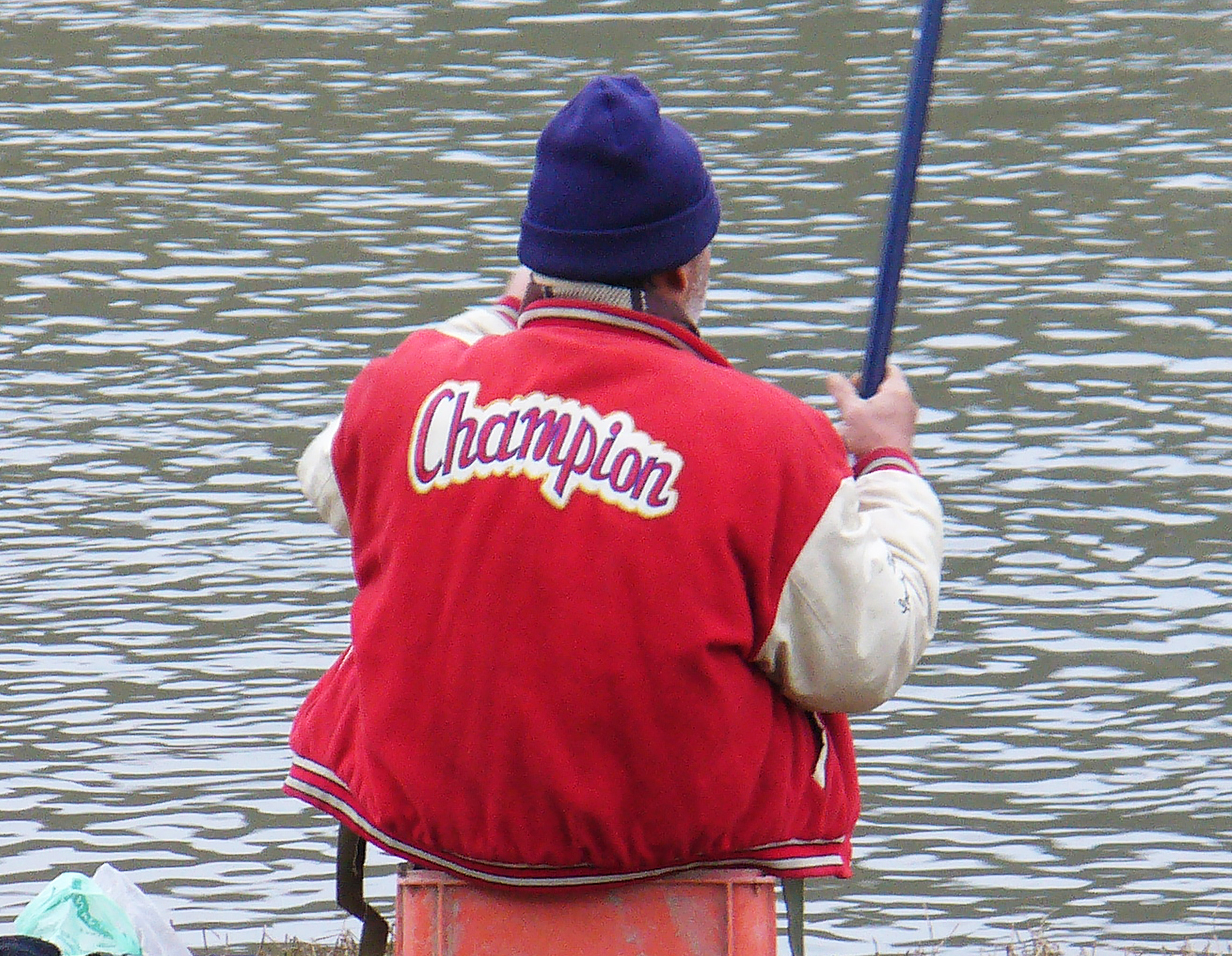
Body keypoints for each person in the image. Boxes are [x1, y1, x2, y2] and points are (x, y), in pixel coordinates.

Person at [283, 74, 942, 893]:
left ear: (537, 257)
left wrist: (506, 311)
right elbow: (864, 658)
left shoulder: (406, 391)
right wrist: (890, 469)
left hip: (437, 817)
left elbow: (327, 470)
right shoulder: (771, 440)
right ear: (683, 268)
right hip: (674, 836)